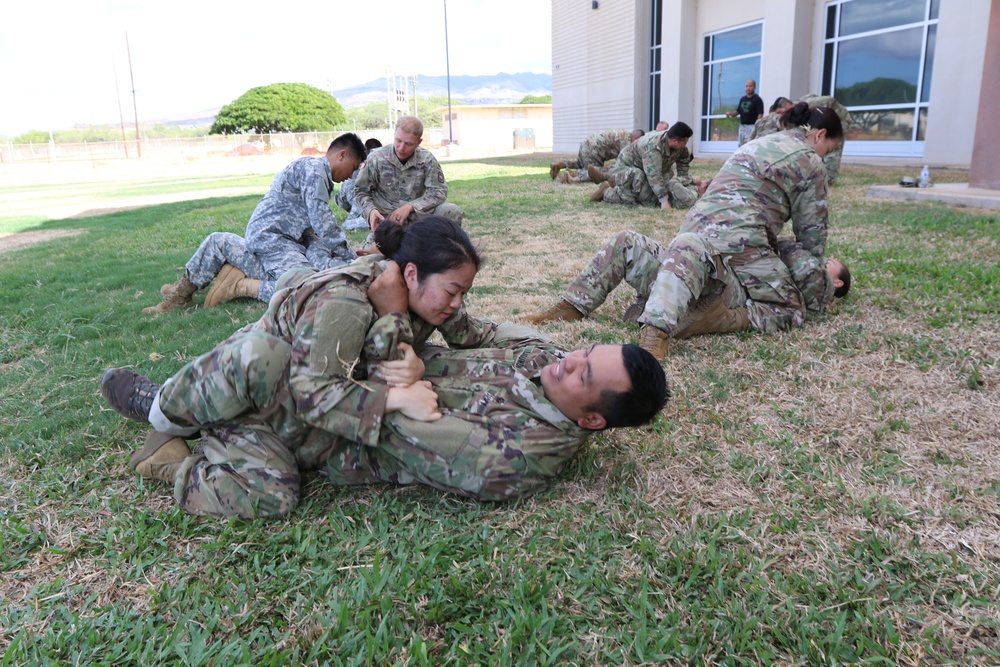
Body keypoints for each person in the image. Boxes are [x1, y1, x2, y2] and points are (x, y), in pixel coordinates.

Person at [99, 223, 670, 518]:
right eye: (585, 352)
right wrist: (416, 339)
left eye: (582, 375)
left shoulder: (520, 456)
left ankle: (180, 455)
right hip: (303, 376)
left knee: (269, 496)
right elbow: (490, 333)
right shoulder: (552, 366)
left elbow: (397, 418)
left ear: (591, 420)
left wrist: (399, 338)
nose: (568, 361)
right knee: (261, 359)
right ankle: (165, 405)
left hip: (323, 425)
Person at [529, 102, 846, 360]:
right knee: (792, 309)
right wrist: (821, 290)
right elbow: (811, 239)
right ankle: (700, 320)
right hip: (740, 245)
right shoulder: (808, 161)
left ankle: (571, 306)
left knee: (629, 242)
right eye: (828, 149)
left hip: (693, 240)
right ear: (819, 135)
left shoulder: (756, 145)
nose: (825, 158)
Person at [143, 134, 366, 314]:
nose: (351, 175)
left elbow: (312, 229)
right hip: (274, 240)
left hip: (271, 238)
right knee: (303, 286)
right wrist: (349, 257)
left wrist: (329, 253)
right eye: (353, 167)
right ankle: (239, 287)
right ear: (342, 155)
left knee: (218, 241)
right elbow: (323, 223)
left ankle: (183, 290)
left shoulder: (314, 172)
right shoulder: (315, 172)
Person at [354, 115, 464, 233]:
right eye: (398, 140)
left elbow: (439, 191)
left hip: (418, 220)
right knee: (370, 252)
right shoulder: (376, 158)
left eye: (408, 144)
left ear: (419, 142)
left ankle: (438, 248)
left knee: (452, 211)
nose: (401, 148)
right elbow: (361, 191)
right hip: (387, 224)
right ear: (394, 134)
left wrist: (411, 207)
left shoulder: (427, 160)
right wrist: (370, 211)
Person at [590, 122, 703, 210]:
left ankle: (609, 178)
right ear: (674, 141)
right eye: (684, 142)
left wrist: (685, 181)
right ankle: (606, 192)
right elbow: (654, 175)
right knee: (637, 199)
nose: (685, 145)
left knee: (667, 177)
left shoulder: (679, 147)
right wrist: (664, 201)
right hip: (629, 169)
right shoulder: (652, 147)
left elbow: (683, 160)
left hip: (646, 168)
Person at [749, 94, 852, 185]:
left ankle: (829, 178)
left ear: (788, 106)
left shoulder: (808, 106)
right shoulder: (795, 115)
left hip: (840, 121)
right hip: (823, 125)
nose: (779, 115)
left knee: (831, 150)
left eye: (780, 112)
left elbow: (830, 100)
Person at [549, 128, 645, 184]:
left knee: (580, 162)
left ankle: (559, 165)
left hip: (587, 143)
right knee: (596, 172)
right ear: (635, 138)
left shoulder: (623, 133)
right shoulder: (627, 141)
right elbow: (624, 160)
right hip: (594, 150)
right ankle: (572, 175)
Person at [336, 138, 383, 231]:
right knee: (377, 220)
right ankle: (353, 221)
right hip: (358, 196)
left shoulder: (372, 162)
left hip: (356, 197)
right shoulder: (363, 163)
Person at [726, 79, 765, 146]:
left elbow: (760, 114)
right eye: (746, 86)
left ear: (754, 87)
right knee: (741, 146)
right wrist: (730, 114)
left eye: (750, 86)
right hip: (742, 127)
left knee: (749, 145)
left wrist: (756, 127)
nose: (748, 88)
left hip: (752, 127)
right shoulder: (742, 99)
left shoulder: (757, 100)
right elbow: (738, 111)